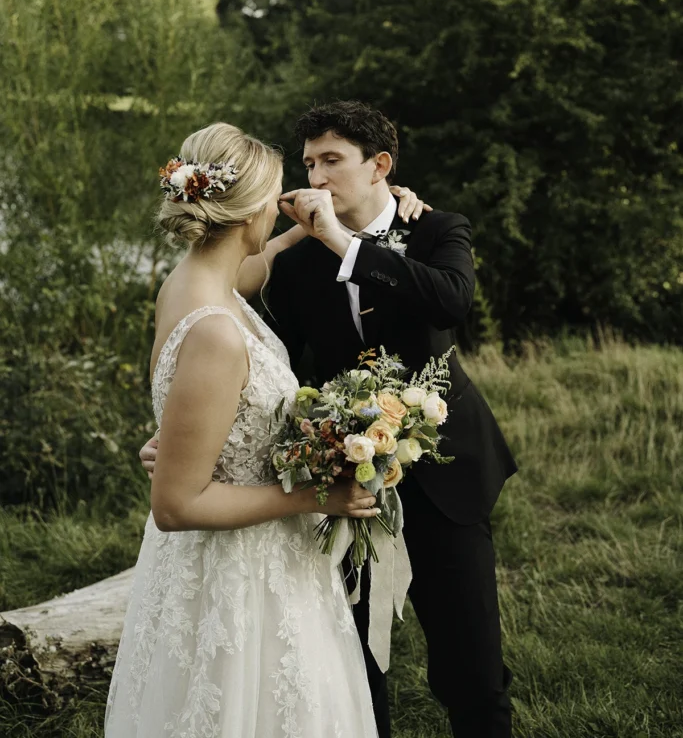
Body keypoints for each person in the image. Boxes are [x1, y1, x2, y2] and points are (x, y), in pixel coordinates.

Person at [141, 101, 518, 737]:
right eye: (309, 163)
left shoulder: (435, 228)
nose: (316, 178)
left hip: (444, 478)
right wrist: (185, 435)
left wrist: (345, 243)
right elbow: (252, 360)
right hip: (337, 479)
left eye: (332, 162)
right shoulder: (286, 260)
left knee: (472, 667)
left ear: (381, 166)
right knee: (348, 663)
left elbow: (452, 300)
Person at [106, 122, 385, 738]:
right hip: (241, 577)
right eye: (278, 194)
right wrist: (321, 495)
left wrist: (294, 235)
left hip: (224, 563)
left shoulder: (187, 283)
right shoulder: (217, 332)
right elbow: (177, 503)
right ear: (251, 208)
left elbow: (252, 266)